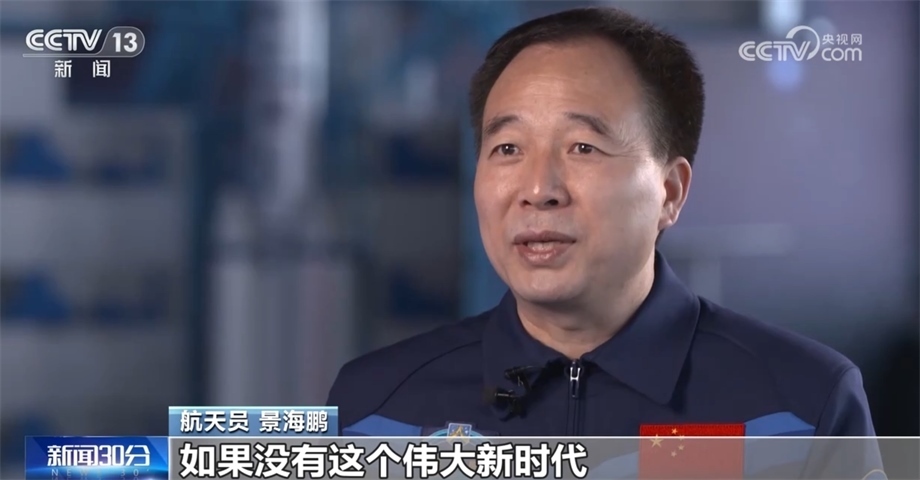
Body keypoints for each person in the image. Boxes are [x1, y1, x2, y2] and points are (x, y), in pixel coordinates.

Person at [327, 7, 883, 478]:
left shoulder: (801, 409)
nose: (538, 190)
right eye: (508, 149)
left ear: (669, 191)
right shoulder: (376, 409)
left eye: (583, 147)